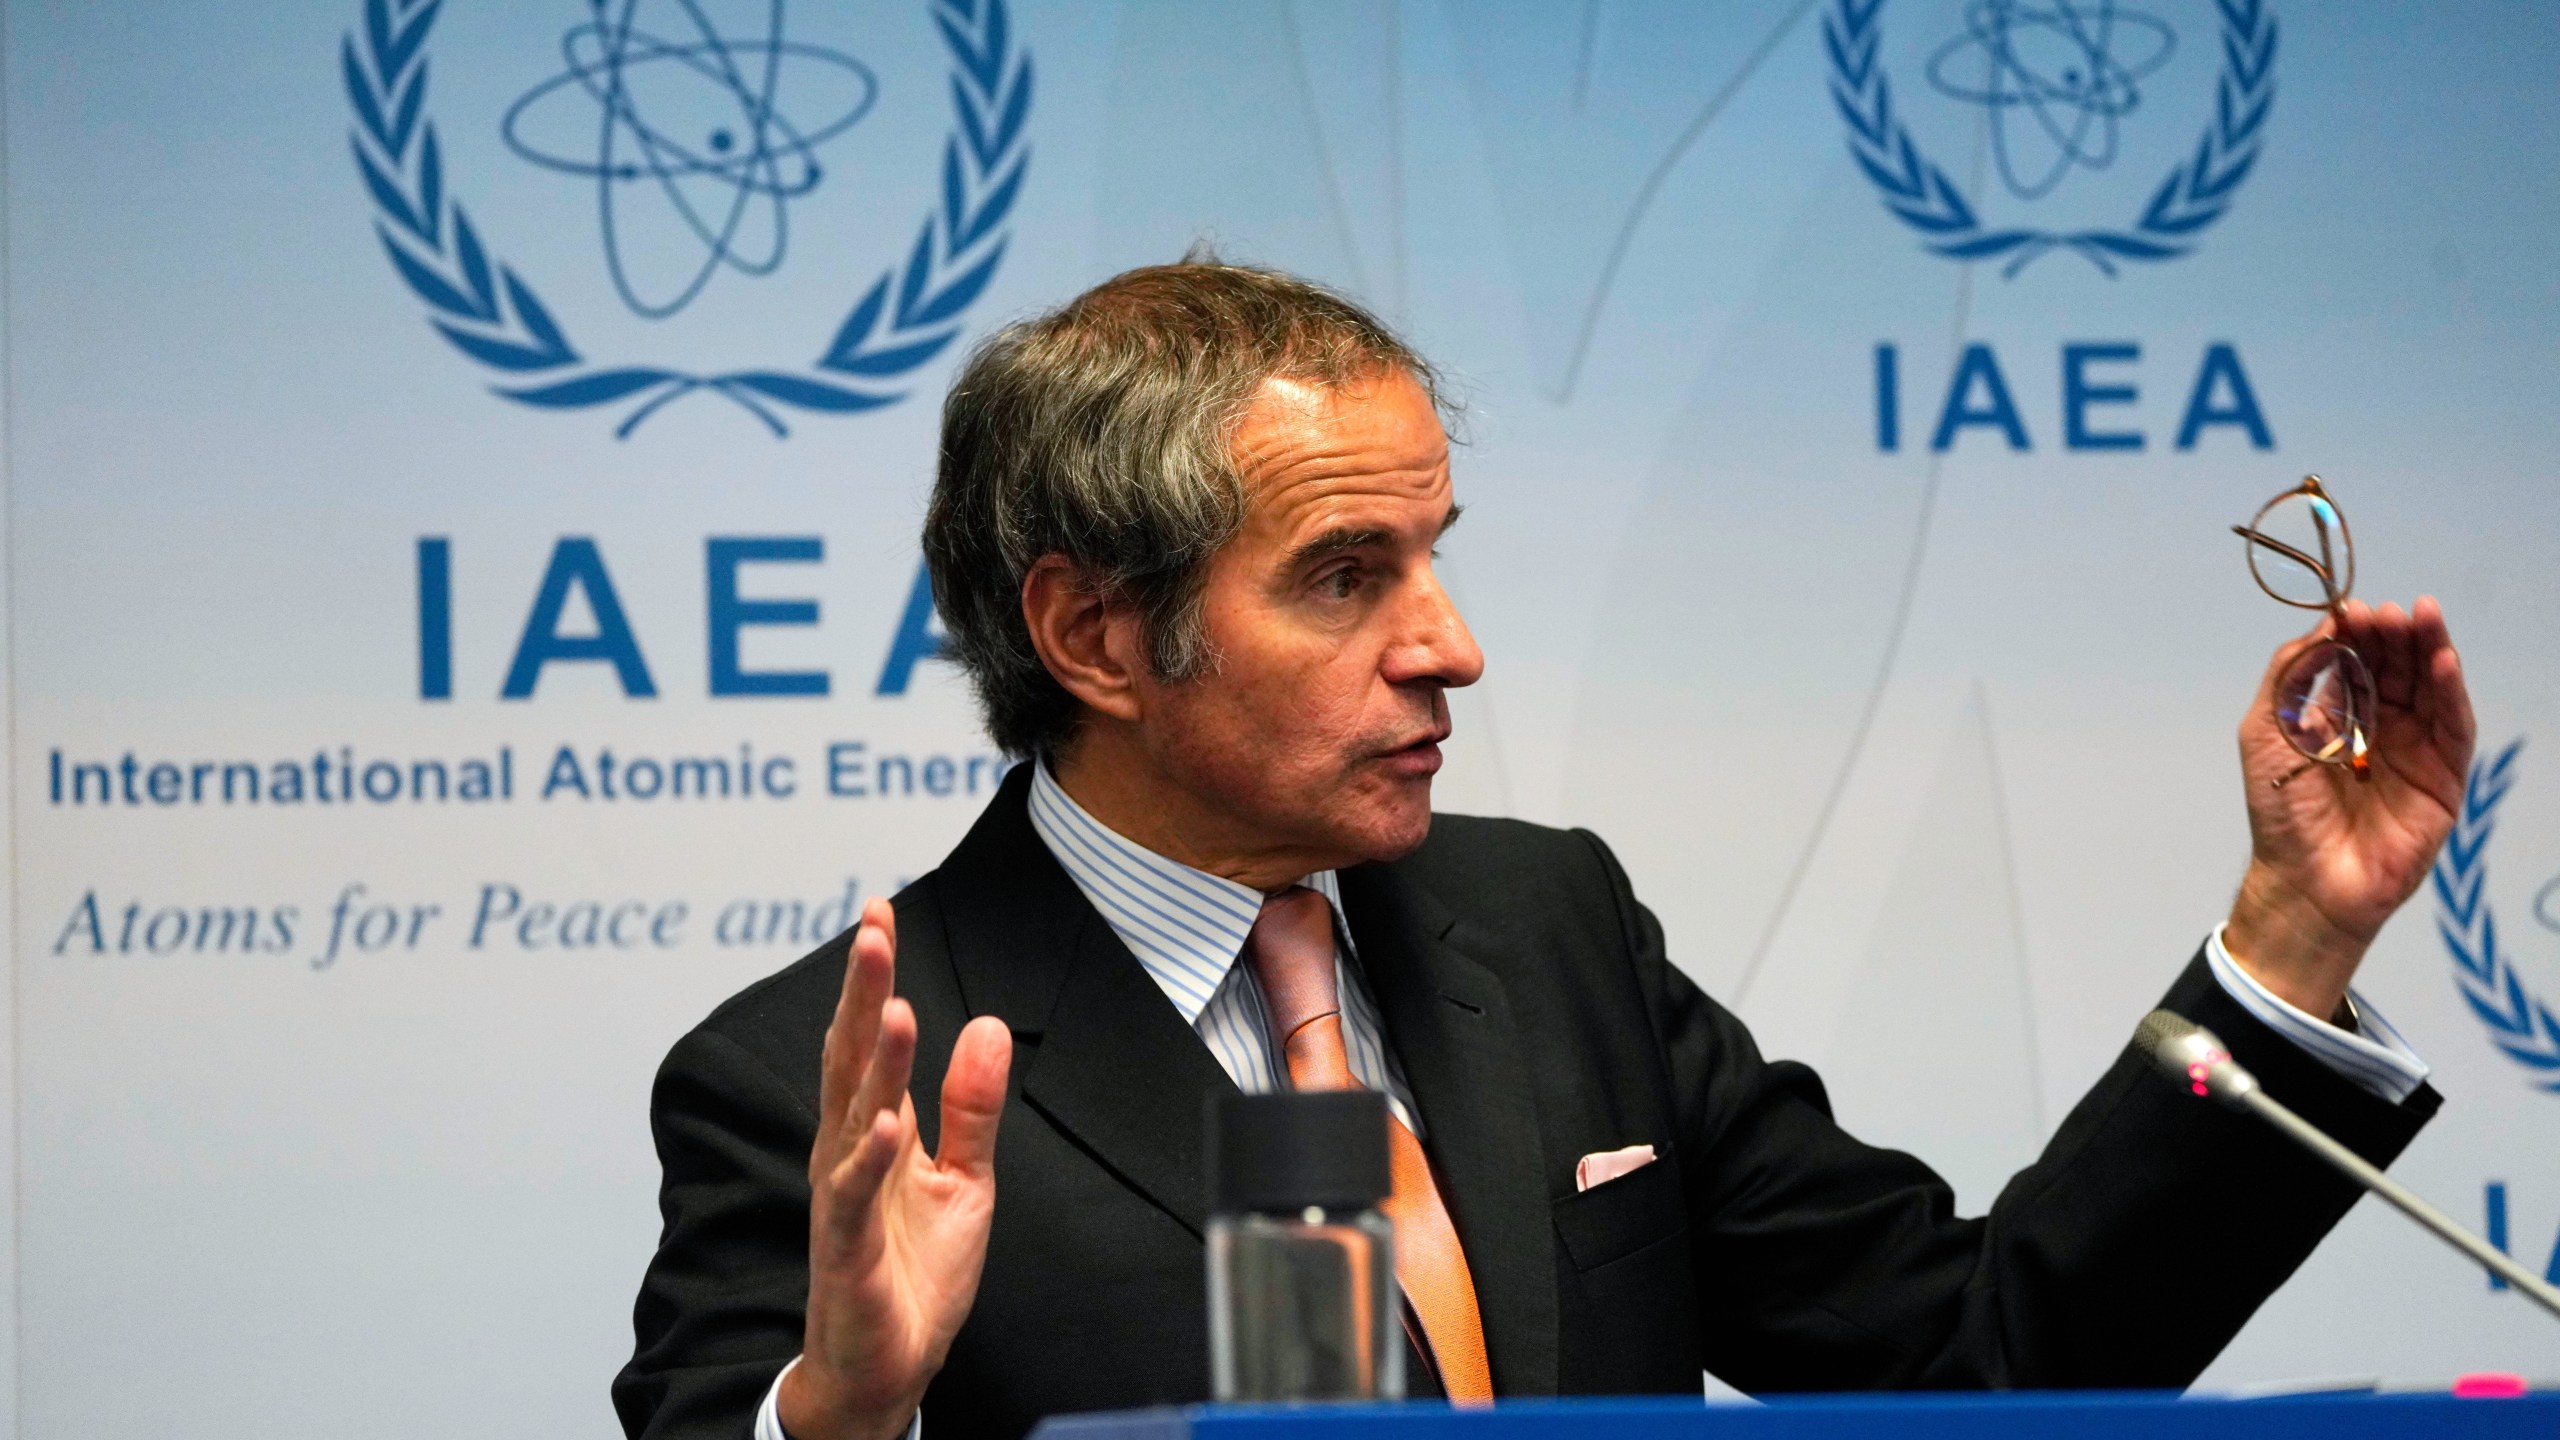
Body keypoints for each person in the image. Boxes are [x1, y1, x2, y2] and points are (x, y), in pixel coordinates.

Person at [613, 262, 2474, 1440]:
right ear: (1098, 638)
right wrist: (840, 1422)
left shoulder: (1543, 921)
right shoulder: (815, 1080)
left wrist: (2292, 939)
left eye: (1435, 553)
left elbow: (1979, 1367)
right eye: (1349, 578)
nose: (1451, 642)